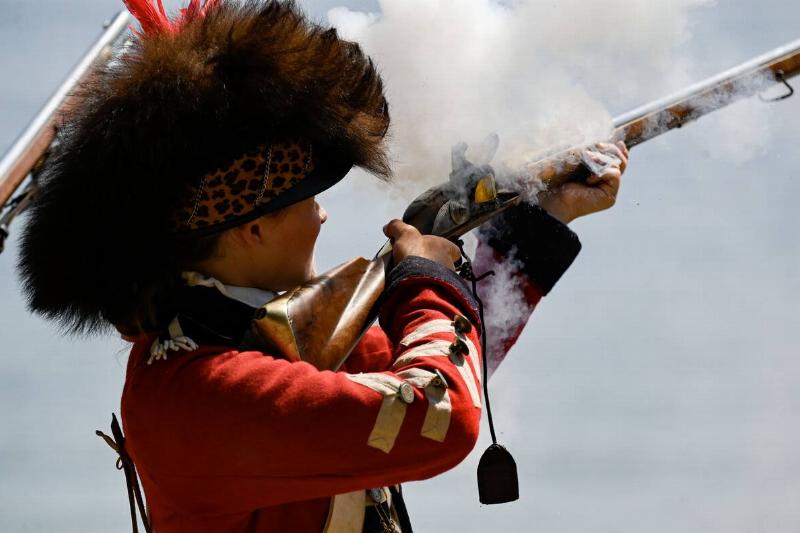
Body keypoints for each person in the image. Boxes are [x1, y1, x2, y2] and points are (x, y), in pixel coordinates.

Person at [16, 0, 627, 531]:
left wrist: (542, 219)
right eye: (309, 202)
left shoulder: (241, 336)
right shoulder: (206, 392)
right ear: (251, 228)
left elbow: (443, 354)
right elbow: (439, 415)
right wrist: (425, 281)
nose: (324, 218)